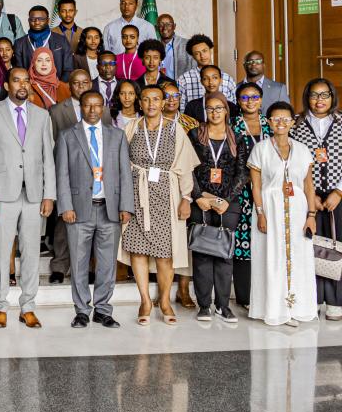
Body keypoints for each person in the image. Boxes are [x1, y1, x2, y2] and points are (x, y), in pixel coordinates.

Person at [0, 67, 57, 329]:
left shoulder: (42, 116)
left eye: (26, 80)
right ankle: (0, 305)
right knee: (2, 252)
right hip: (2, 193)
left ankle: (28, 307)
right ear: (8, 85)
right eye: (16, 80)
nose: (22, 84)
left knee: (32, 252)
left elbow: (48, 159)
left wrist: (50, 194)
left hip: (34, 194)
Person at [119, 85, 201, 326]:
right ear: (140, 103)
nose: (151, 104)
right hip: (137, 194)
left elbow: (185, 166)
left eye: (156, 99)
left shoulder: (176, 129)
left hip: (167, 195)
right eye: (146, 100)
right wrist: (123, 201)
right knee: (138, 250)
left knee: (166, 253)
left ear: (164, 103)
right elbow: (122, 167)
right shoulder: (131, 128)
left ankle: (164, 301)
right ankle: (145, 300)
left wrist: (187, 198)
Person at [56, 90, 133, 327]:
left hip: (109, 209)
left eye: (97, 106)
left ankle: (103, 310)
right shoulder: (67, 136)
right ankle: (81, 310)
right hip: (79, 210)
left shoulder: (117, 136)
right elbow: (62, 175)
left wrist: (126, 205)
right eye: (87, 106)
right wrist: (66, 206)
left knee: (107, 263)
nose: (92, 110)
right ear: (81, 108)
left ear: (104, 108)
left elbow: (124, 173)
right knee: (78, 263)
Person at [248, 101, 318, 326]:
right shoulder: (260, 149)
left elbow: (308, 186)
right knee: (271, 256)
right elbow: (256, 186)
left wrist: (311, 215)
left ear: (292, 122)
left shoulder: (303, 150)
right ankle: (274, 308)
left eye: (285, 119)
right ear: (268, 122)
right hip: (270, 207)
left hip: (297, 209)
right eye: (276, 119)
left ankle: (298, 307)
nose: (281, 123)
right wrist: (260, 213)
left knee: (299, 256)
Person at [188, 92, 246, 322]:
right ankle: (204, 305)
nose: (214, 113)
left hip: (227, 205)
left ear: (226, 111)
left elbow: (242, 173)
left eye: (218, 108)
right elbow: (188, 167)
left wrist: (226, 200)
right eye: (210, 109)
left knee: (224, 255)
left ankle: (223, 305)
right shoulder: (194, 135)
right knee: (202, 253)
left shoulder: (237, 138)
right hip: (201, 202)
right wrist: (198, 195)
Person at [290, 78, 342, 320]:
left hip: (337, 197)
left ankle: (335, 301)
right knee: (309, 246)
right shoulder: (296, 125)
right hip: (307, 196)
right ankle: (312, 299)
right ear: (306, 97)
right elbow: (292, 164)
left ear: (332, 97)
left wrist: (338, 192)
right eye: (314, 95)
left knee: (335, 247)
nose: (319, 100)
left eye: (324, 95)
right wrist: (310, 196)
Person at [47, 69, 95, 283]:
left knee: (92, 221)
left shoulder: (100, 110)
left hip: (93, 174)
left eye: (85, 82)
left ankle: (90, 267)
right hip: (65, 171)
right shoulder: (57, 111)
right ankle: (59, 265)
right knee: (63, 221)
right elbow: (52, 143)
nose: (81, 86)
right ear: (70, 85)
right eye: (76, 83)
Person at [229, 81, 271, 308]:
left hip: (269, 193)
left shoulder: (272, 126)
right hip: (242, 193)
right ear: (238, 101)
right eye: (244, 98)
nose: (250, 101)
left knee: (267, 241)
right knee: (243, 243)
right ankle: (245, 296)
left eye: (254, 97)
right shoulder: (232, 126)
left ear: (261, 100)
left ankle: (267, 294)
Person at [13, 6, 73, 81]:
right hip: (31, 88)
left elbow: (68, 68)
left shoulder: (61, 40)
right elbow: (19, 70)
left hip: (57, 86)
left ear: (48, 20)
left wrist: (59, 86)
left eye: (41, 19)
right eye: (33, 19)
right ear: (28, 21)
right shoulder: (19, 43)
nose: (37, 22)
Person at [176, 35, 237, 104]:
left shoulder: (227, 79)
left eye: (204, 51)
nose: (202, 56)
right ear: (192, 56)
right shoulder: (183, 80)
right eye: (197, 53)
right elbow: (181, 108)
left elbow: (234, 107)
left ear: (211, 50)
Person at [26, 47, 70, 111]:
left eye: (48, 60)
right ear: (33, 64)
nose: (44, 64)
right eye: (39, 60)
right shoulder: (27, 87)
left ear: (52, 63)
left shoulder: (63, 87)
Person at [156, 14, 194, 81]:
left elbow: (194, 69)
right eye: (161, 24)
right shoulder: (153, 46)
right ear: (156, 27)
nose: (165, 28)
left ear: (174, 26)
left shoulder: (187, 45)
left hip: (181, 88)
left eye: (168, 24)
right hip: (158, 88)